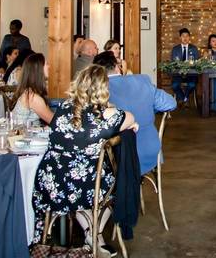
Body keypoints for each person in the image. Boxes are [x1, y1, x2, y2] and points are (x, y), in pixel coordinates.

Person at [31, 65, 138, 244]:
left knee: (80, 188)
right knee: (118, 187)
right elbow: (130, 117)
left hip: (50, 185)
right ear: (104, 89)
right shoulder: (106, 115)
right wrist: (120, 117)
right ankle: (93, 234)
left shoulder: (64, 108)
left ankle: (90, 232)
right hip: (86, 188)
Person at [102, 51, 177, 175]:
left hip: (114, 155)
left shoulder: (99, 89)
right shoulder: (142, 81)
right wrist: (149, 106)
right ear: (117, 67)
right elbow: (170, 103)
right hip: (149, 149)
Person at [12, 53, 54, 127]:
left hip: (30, 134)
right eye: (47, 64)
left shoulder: (31, 91)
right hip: (25, 136)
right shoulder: (33, 97)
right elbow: (54, 121)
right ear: (39, 69)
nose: (49, 66)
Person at [170, 27, 199, 105]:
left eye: (187, 36)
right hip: (178, 74)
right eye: (183, 36)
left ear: (189, 37)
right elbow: (173, 63)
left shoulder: (194, 48)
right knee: (174, 85)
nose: (185, 38)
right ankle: (185, 98)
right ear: (180, 38)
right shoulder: (175, 49)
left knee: (192, 85)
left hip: (191, 74)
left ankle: (183, 99)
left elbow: (197, 62)